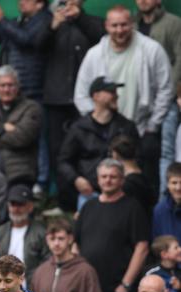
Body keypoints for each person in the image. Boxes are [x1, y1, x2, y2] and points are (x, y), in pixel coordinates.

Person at [74, 5, 172, 188]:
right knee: (109, 184)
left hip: (142, 130)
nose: (120, 30)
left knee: (139, 184)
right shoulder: (94, 55)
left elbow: (165, 88)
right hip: (105, 135)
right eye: (115, 25)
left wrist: (153, 125)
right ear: (106, 26)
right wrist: (97, 124)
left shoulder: (152, 50)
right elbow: (81, 94)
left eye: (124, 25)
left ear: (132, 23)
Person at [74, 159, 149, 292]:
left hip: (117, 289)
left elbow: (142, 247)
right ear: (98, 179)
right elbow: (75, 244)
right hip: (88, 289)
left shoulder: (133, 207)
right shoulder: (88, 206)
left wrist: (126, 284)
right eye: (104, 176)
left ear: (122, 180)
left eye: (113, 177)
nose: (108, 180)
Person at [41, 0, 104, 196]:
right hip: (55, 99)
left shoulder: (92, 22)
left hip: (85, 101)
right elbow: (36, 47)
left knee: (87, 148)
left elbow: (103, 37)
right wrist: (52, 27)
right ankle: (64, 199)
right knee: (58, 151)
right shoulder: (49, 21)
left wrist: (79, 18)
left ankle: (91, 194)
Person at [57, 76, 139, 212]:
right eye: (111, 92)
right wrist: (76, 179)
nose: (116, 96)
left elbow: (138, 159)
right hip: (89, 194)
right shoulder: (79, 128)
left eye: (115, 92)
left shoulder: (126, 127)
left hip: (121, 194)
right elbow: (63, 161)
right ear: (96, 96)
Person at [0, 0, 51, 103]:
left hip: (33, 91)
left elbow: (26, 39)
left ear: (39, 4)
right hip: (13, 89)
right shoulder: (17, 22)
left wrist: (1, 20)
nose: (21, 2)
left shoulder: (46, 20)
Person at [0, 185, 49, 281]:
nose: (16, 208)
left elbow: (47, 261)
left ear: (30, 207)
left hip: (32, 286)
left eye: (20, 204)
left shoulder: (42, 233)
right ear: (8, 206)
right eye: (13, 204)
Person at [135, 0, 181, 85]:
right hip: (138, 87)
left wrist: (170, 88)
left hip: (164, 87)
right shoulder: (132, 24)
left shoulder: (174, 23)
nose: (142, 1)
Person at [153, 162, 181, 239]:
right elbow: (157, 243)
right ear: (168, 184)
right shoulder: (160, 210)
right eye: (174, 183)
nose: (178, 187)